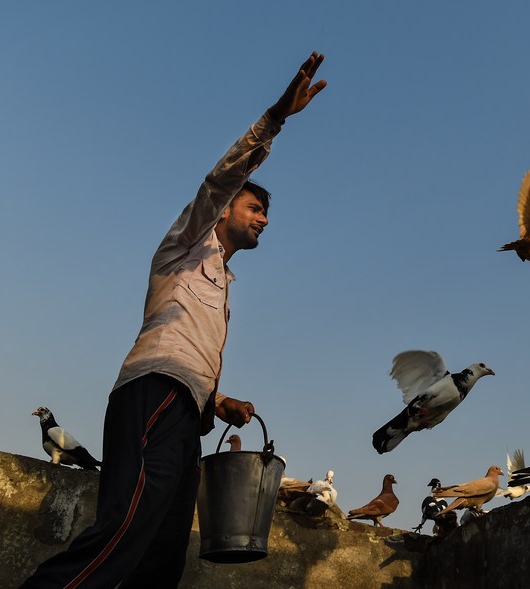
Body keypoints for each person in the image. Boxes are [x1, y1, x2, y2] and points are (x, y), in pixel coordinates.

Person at [20, 51, 327, 588]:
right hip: (155, 392)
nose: (265, 219)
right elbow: (219, 178)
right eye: (255, 208)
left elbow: (195, 347)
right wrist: (276, 119)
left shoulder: (225, 282)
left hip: (188, 411)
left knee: (161, 557)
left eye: (266, 213)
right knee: (126, 526)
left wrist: (218, 400)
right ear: (226, 209)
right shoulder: (185, 246)